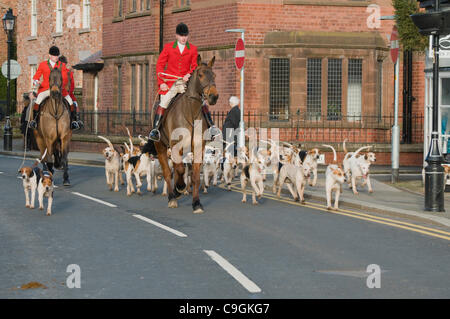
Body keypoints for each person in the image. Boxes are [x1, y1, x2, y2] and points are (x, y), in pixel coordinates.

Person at [149, 22, 219, 141]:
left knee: (201, 101)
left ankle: (211, 126)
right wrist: (162, 83)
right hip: (171, 83)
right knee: (164, 102)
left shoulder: (192, 49)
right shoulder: (168, 47)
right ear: (176, 36)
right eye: (181, 36)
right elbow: (160, 66)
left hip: (185, 83)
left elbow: (194, 65)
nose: (183, 38)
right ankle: (155, 130)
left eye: (185, 36)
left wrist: (189, 74)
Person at [28, 46, 73, 129]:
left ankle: (73, 121)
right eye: (54, 56)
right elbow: (35, 77)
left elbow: (65, 78)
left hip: (60, 90)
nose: (56, 57)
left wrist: (61, 86)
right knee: (38, 101)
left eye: (57, 56)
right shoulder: (43, 65)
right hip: (46, 89)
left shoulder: (62, 65)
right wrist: (36, 82)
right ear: (49, 55)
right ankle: (34, 121)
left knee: (71, 102)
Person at [59, 55, 84, 130]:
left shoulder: (69, 73)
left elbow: (72, 86)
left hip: (65, 93)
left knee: (75, 103)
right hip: (58, 93)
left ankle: (74, 121)